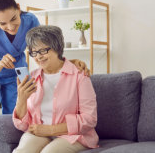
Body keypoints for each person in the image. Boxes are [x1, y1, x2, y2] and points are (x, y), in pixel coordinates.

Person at [0, 0, 89, 152]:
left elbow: (44, 48)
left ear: (19, 8)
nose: (10, 26)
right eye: (3, 24)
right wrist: (0, 63)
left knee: (14, 121)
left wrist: (68, 62)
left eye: (13, 19)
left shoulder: (30, 20)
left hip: (16, 71)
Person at [12, 25, 99, 153]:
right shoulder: (32, 78)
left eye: (43, 51)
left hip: (73, 135)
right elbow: (22, 125)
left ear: (57, 48)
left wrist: (50, 130)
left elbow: (89, 119)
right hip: (39, 133)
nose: (38, 57)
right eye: (34, 52)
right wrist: (21, 98)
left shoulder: (79, 75)